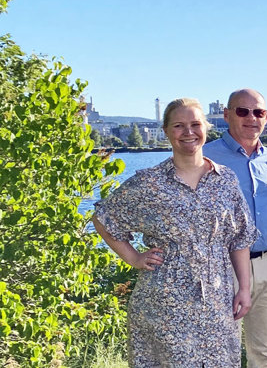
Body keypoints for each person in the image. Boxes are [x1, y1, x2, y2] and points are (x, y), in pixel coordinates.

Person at [92, 98, 257, 366]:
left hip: (217, 302)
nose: (188, 132)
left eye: (195, 124)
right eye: (179, 126)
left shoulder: (226, 180)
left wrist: (245, 289)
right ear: (167, 131)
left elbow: (240, 238)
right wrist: (133, 258)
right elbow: (104, 218)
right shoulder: (149, 183)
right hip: (165, 306)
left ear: (205, 128)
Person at [203, 88, 267, 368]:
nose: (252, 118)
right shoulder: (204, 158)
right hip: (221, 266)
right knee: (220, 350)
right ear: (226, 115)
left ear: (266, 117)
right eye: (243, 111)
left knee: (265, 350)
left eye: (258, 112)